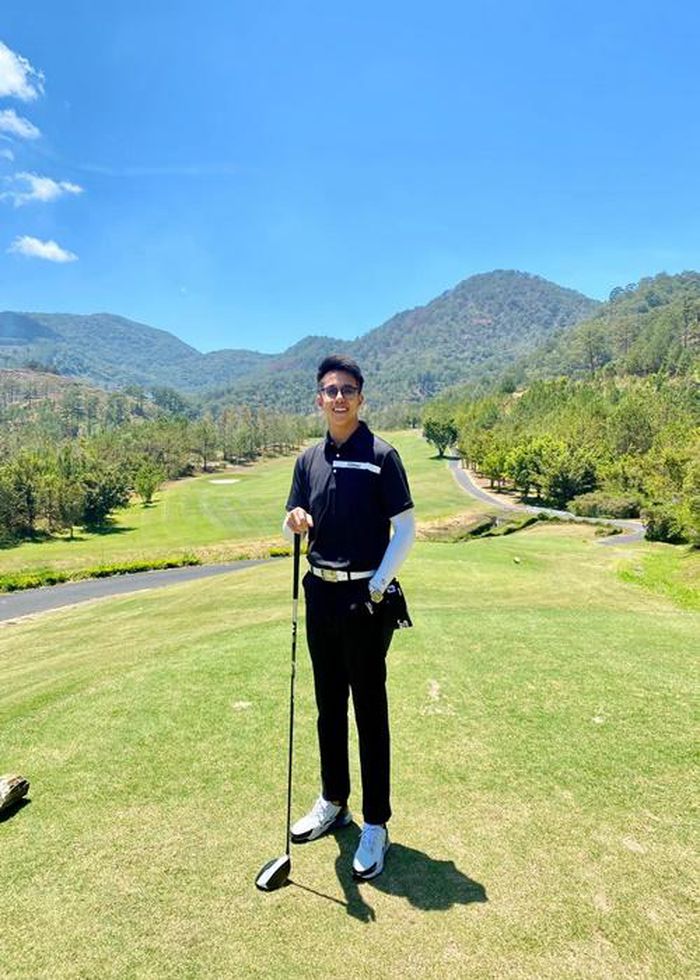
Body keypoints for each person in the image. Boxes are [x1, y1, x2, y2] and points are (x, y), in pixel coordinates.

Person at [283, 353, 415, 880]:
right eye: (330, 390)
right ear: (319, 399)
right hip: (319, 593)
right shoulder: (308, 460)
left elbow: (406, 529)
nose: (338, 398)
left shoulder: (382, 456)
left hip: (364, 598)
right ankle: (334, 800)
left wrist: (377, 587)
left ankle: (376, 823)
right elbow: (293, 519)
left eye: (348, 390)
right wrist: (293, 519)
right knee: (328, 706)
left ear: (361, 398)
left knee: (370, 712)